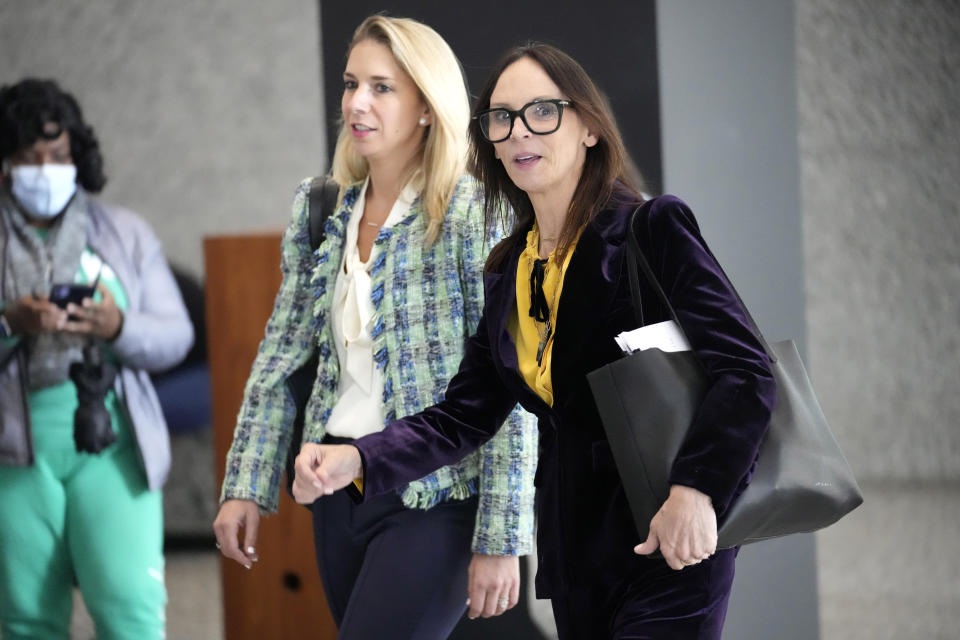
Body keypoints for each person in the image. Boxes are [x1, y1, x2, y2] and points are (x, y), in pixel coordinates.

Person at [293, 43, 778, 639]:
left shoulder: (650, 229)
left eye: (541, 112)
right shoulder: (509, 270)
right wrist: (360, 457)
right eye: (502, 118)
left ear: (590, 129)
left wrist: (696, 492)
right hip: (578, 560)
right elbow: (462, 418)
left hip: (672, 541)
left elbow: (747, 370)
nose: (520, 132)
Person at [213, 15, 538, 639]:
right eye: (350, 83)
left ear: (425, 105)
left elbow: (512, 389)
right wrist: (245, 485)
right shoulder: (322, 208)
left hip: (436, 499)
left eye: (382, 87)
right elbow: (278, 361)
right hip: (336, 497)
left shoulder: (476, 214)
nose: (357, 102)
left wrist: (502, 537)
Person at [0, 78, 193, 639]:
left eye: (57, 155)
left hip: (112, 442)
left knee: (130, 606)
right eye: (26, 156)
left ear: (77, 156)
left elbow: (175, 336)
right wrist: (12, 323)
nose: (44, 168)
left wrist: (119, 325)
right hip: (14, 452)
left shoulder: (124, 234)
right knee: (25, 618)